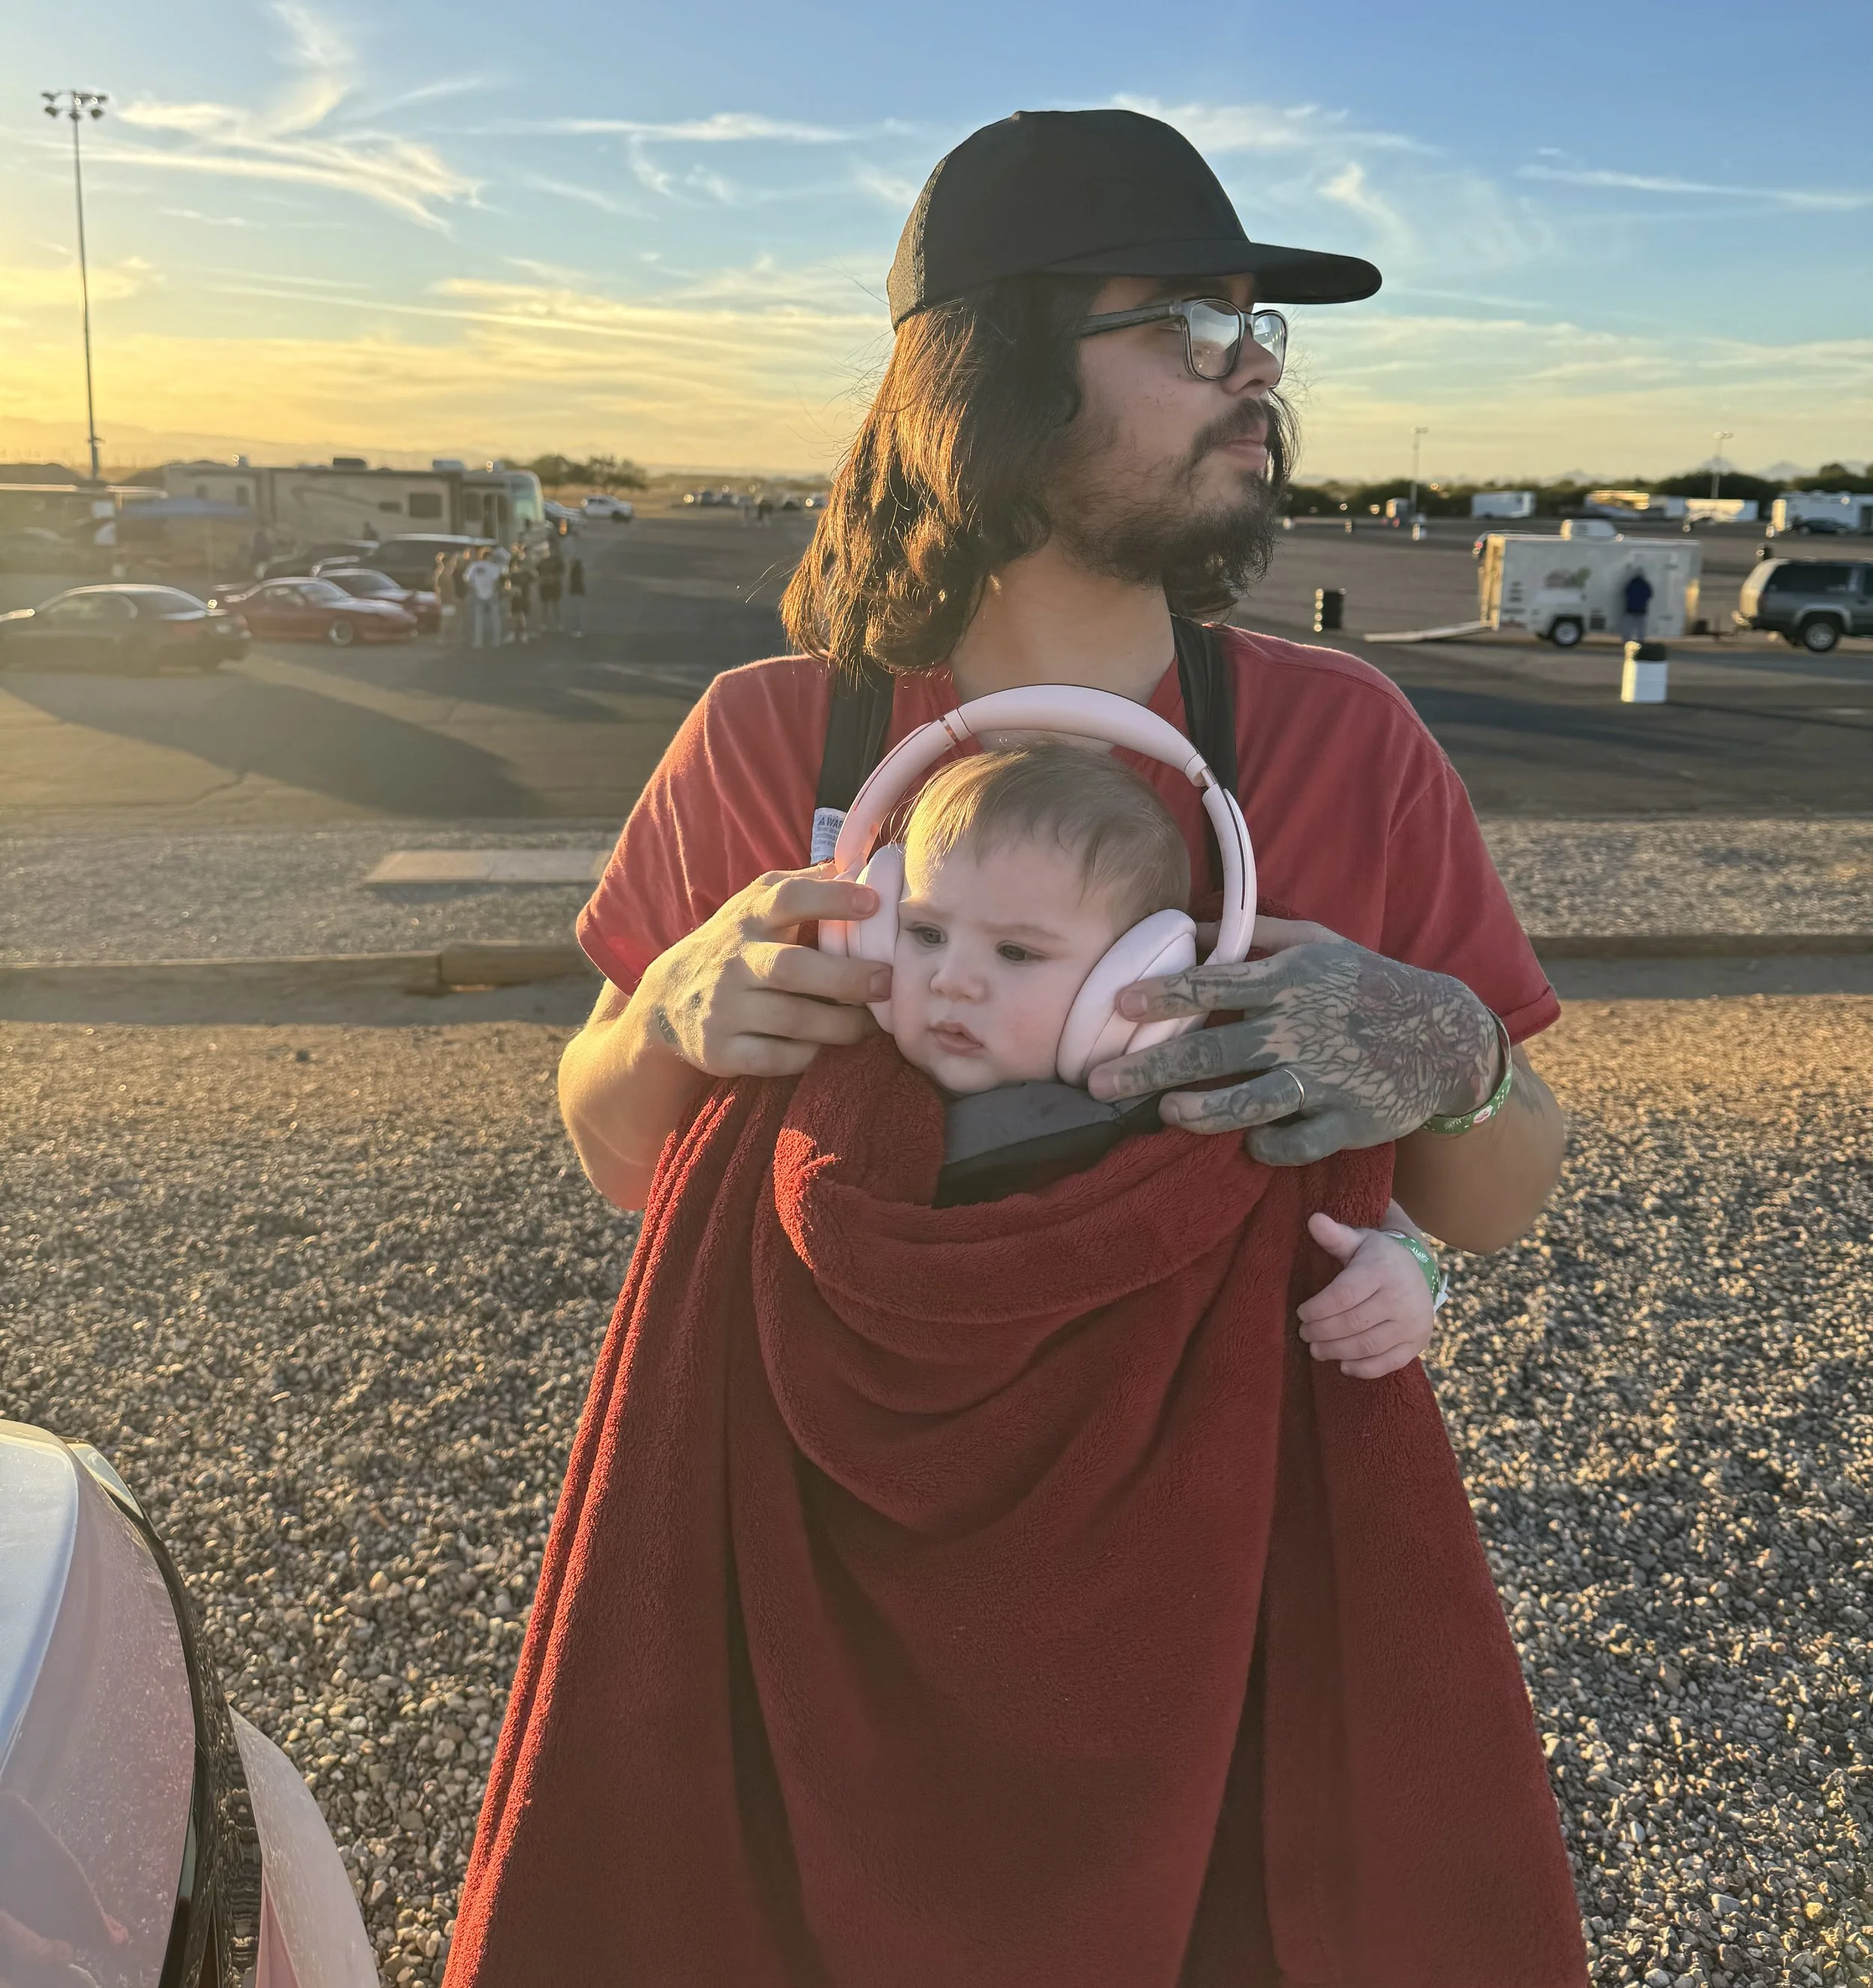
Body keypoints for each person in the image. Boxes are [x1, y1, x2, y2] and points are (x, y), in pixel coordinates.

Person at [450, 109, 1581, 1987]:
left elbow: (1507, 1196)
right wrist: (672, 1011)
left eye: (1260, 336)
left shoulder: (1349, 741)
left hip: (1226, 1600)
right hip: (805, 1583)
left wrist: (1444, 1049)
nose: (1256, 384)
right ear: (982, 378)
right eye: (1189, 331)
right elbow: (610, 1142)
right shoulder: (771, 742)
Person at [892, 740, 1443, 1379]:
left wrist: (1407, 1271)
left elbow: (1349, 1199)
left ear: (1142, 975)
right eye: (926, 934)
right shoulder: (845, 1097)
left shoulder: (1217, 1100)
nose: (950, 979)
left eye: (1015, 952)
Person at [462, 546, 503, 648]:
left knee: (478, 619)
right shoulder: (494, 567)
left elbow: (467, 579)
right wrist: (495, 592)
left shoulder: (475, 566)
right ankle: (496, 641)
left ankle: (478, 642)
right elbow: (496, 582)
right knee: (495, 618)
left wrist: (474, 588)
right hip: (491, 593)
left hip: (477, 593)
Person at [1621, 563, 1654, 642]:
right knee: (1641, 626)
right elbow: (1650, 595)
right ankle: (1641, 639)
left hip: (1630, 608)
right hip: (1642, 609)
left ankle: (1627, 638)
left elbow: (1626, 593)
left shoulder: (1631, 584)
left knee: (1629, 625)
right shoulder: (1646, 585)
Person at [536, 540, 564, 632]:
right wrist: (543, 578)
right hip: (545, 586)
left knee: (556, 605)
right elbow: (538, 572)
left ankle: (558, 623)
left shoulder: (558, 561)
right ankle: (544, 623)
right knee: (545, 605)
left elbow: (562, 572)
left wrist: (555, 578)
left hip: (555, 585)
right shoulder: (542, 561)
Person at [507, 555, 534, 644]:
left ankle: (524, 633)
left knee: (523, 616)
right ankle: (512, 633)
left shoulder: (528, 574)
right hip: (515, 598)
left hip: (525, 598)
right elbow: (508, 587)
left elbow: (533, 583)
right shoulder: (512, 575)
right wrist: (512, 590)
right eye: (518, 565)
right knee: (514, 616)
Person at [564, 549, 586, 638]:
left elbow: (574, 581)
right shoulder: (578, 569)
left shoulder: (576, 570)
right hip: (578, 591)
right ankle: (577, 629)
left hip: (576, 591)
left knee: (576, 611)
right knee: (576, 611)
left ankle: (577, 629)